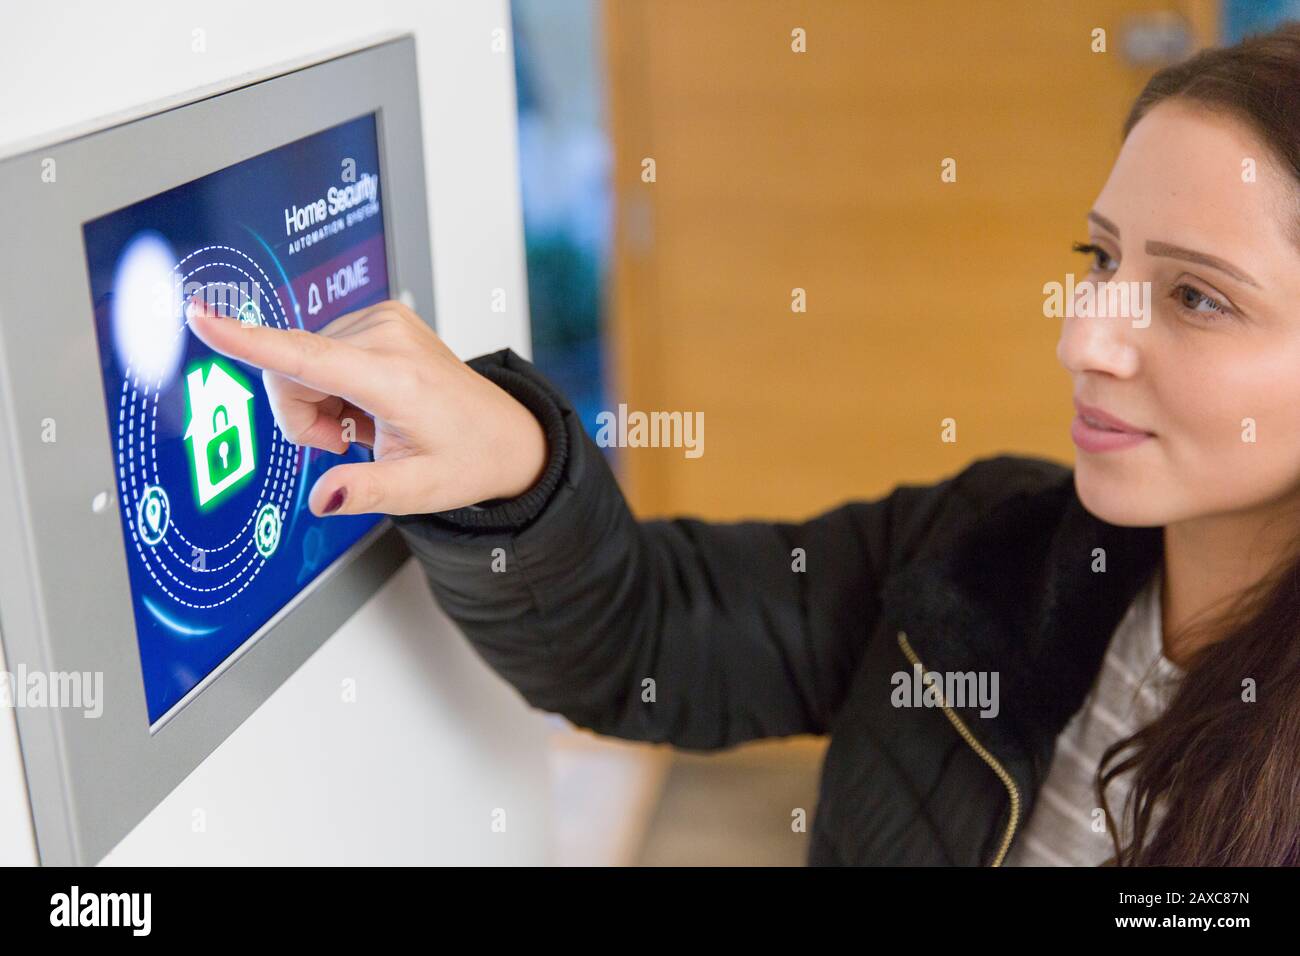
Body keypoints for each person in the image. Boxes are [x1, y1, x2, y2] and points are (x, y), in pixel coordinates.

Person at [189, 23, 1300, 866]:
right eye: (1099, 258)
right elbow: (646, 639)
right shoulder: (986, 550)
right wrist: (513, 468)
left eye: (1198, 298)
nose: (1082, 335)